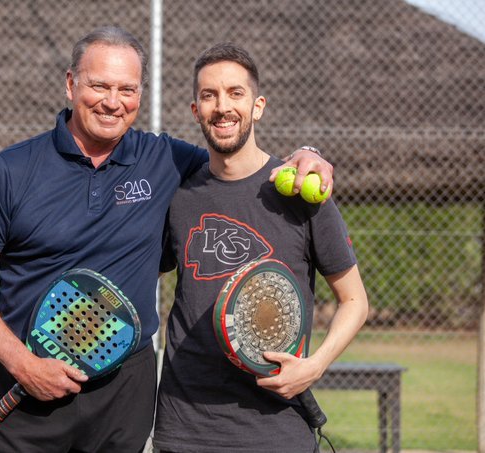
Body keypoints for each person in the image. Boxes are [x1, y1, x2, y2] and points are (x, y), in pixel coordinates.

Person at [0, 27, 333, 453]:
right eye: (99, 86)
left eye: (127, 89)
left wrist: (308, 153)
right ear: (71, 84)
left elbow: (237, 159)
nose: (113, 101)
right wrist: (24, 365)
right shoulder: (9, 171)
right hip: (27, 389)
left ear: (141, 94)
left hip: (125, 394)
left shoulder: (164, 159)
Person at [153, 43, 369, 453]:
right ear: (195, 109)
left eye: (236, 93)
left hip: (276, 429)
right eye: (209, 95)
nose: (223, 107)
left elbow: (355, 300)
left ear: (258, 106)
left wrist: (315, 367)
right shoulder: (177, 195)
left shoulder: (303, 191)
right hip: (185, 426)